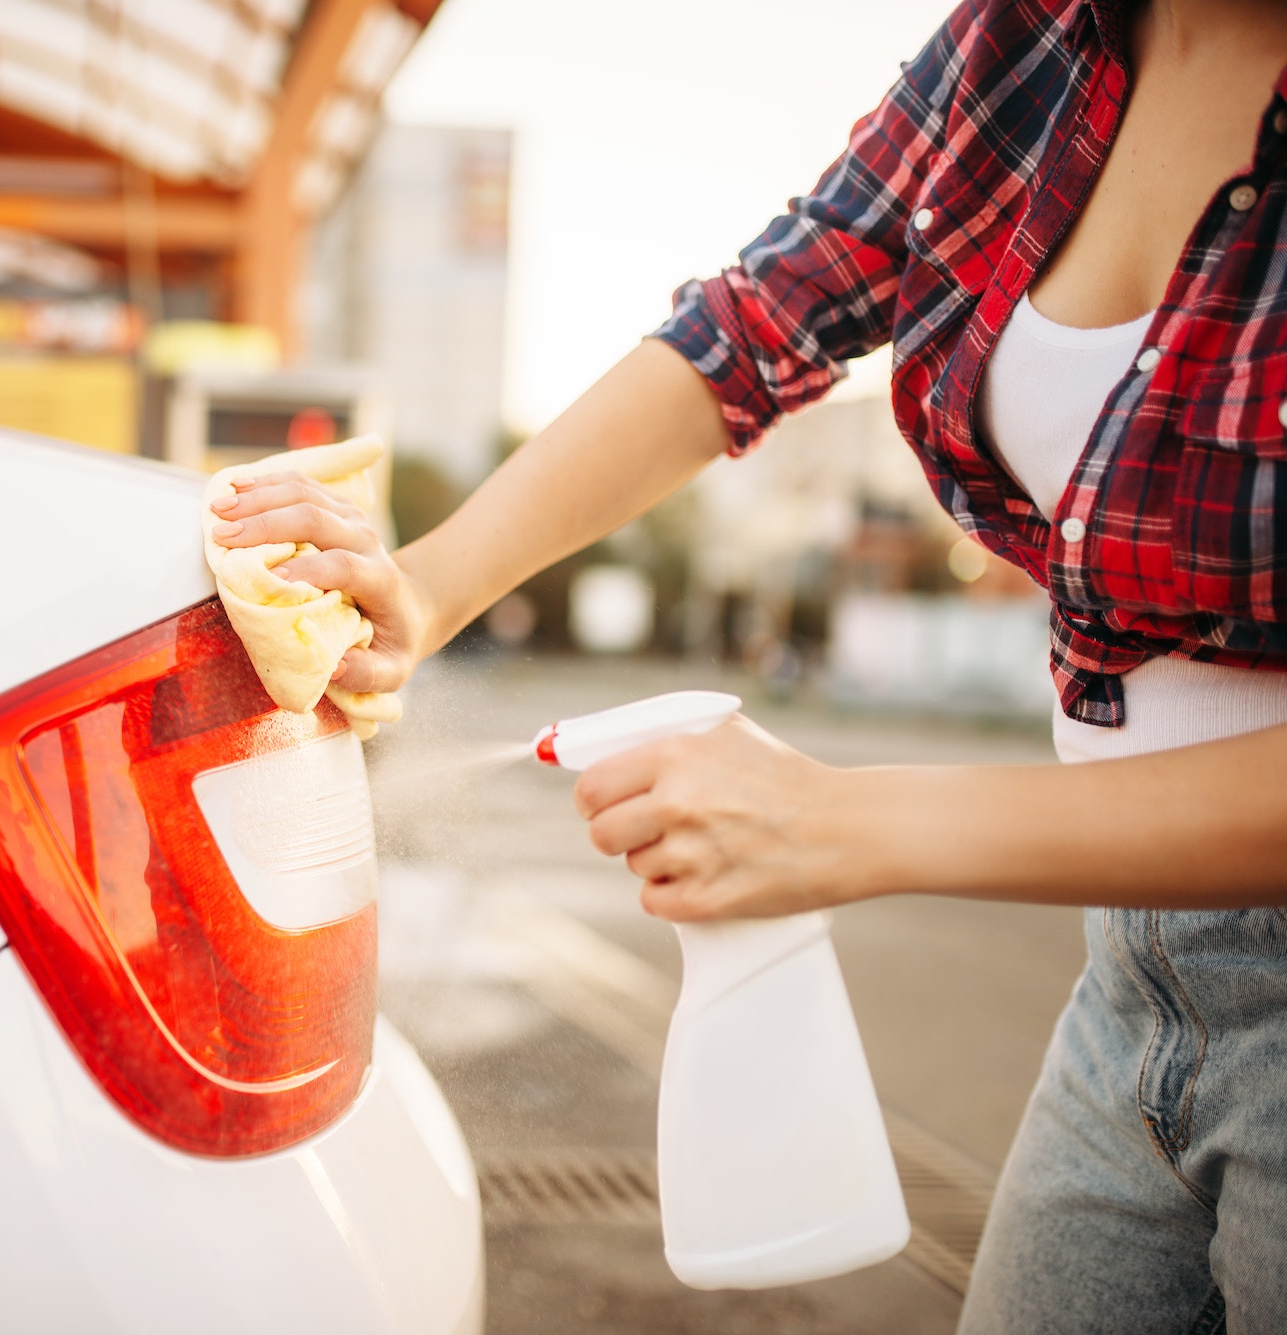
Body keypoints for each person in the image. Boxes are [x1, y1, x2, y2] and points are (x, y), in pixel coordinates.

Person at [211, 0, 1287, 1328]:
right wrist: (428, 584)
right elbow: (758, 318)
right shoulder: (1036, 38)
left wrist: (841, 819)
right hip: (1132, 985)